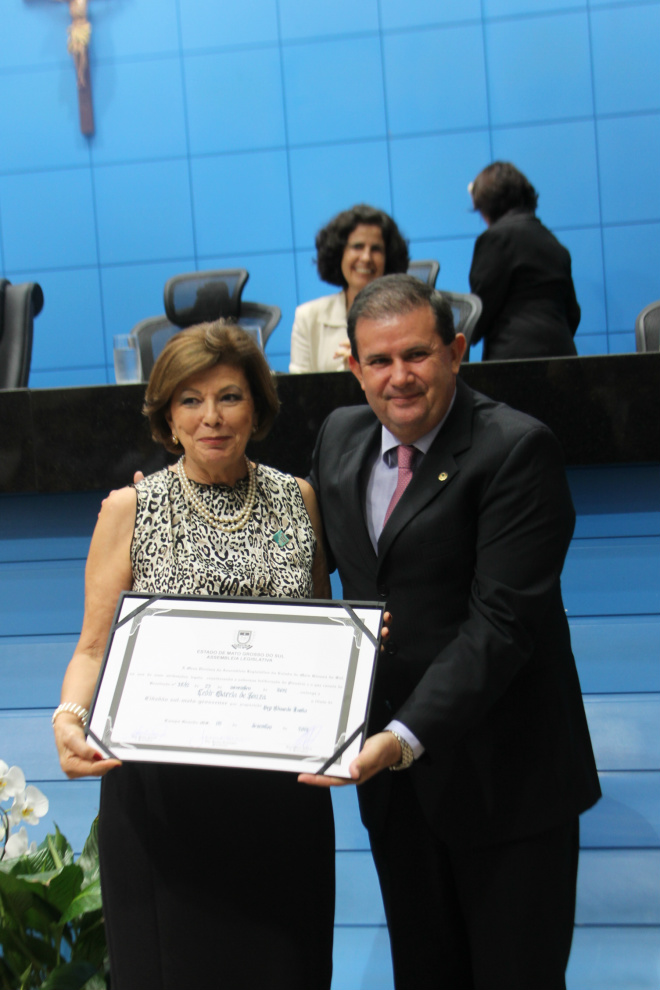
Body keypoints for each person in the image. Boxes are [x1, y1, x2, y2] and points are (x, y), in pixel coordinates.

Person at [300, 275, 601, 990]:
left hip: (509, 782)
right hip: (399, 797)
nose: (398, 377)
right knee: (424, 974)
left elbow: (501, 624)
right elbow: (306, 570)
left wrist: (400, 738)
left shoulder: (516, 450)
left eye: (416, 354)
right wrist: (166, 496)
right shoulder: (338, 437)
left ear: (456, 350)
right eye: (379, 360)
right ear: (354, 367)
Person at [52, 321, 335, 990]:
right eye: (189, 400)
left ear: (257, 407)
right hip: (163, 806)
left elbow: (320, 630)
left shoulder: (300, 500)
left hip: (279, 801)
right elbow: (93, 648)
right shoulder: (130, 508)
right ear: (166, 415)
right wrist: (69, 715)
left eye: (230, 396)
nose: (211, 417)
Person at [468, 161, 581, 360]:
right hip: (563, 358)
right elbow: (573, 313)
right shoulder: (552, 242)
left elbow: (481, 309)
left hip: (514, 360)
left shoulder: (495, 239)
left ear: (485, 207)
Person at [289, 203, 409, 373]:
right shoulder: (308, 317)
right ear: (339, 254)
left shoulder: (407, 316)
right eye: (357, 246)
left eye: (376, 249)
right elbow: (299, 392)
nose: (366, 257)